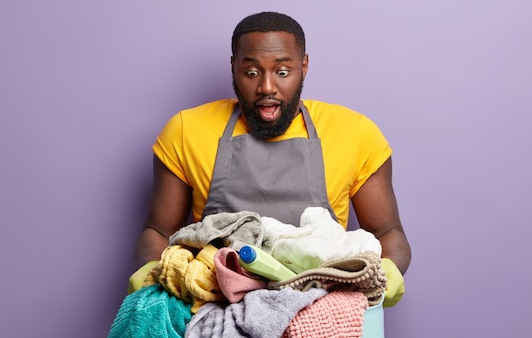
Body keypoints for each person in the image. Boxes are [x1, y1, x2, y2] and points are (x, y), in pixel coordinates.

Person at [133, 11, 411, 306]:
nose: (266, 86)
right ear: (233, 67)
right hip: (216, 304)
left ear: (303, 67)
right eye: (251, 72)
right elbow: (158, 231)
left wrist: (389, 269)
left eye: (282, 72)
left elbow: (388, 232)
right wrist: (152, 268)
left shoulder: (355, 133)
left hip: (324, 307)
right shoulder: (186, 131)